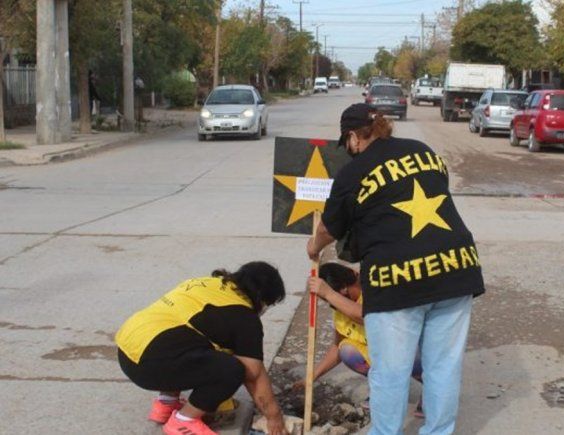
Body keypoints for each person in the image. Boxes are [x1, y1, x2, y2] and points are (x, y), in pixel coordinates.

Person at [307, 104, 485, 435]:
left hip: (397, 280)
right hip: (456, 267)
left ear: (353, 137)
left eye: (347, 143)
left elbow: (330, 228)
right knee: (443, 366)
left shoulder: (352, 173)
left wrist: (313, 247)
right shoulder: (423, 150)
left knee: (390, 371)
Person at [115, 262, 289, 435]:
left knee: (185, 339)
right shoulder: (245, 317)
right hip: (150, 366)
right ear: (261, 298)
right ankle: (183, 421)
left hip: (127, 352)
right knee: (233, 370)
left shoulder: (204, 283)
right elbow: (253, 375)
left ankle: (166, 403)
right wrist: (274, 417)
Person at [293, 250, 424, 417]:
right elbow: (337, 347)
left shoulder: (375, 287)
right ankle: (385, 389)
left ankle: (431, 387)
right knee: (347, 350)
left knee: (409, 351)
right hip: (387, 355)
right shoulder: (340, 308)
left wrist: (329, 294)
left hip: (412, 346)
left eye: (344, 296)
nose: (340, 303)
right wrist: (312, 376)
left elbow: (367, 316)